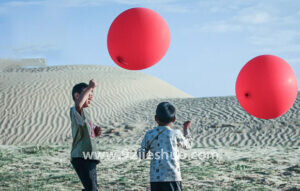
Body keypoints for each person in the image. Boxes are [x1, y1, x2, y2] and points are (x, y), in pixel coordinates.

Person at [137, 102, 192, 191]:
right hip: (173, 177)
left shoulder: (149, 134)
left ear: (156, 118)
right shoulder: (176, 133)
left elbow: (141, 155)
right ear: (174, 119)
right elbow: (188, 145)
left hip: (156, 179)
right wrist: (186, 129)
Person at [70, 79, 102, 191]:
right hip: (81, 156)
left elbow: (85, 134)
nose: (90, 96)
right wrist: (90, 87)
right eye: (87, 94)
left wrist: (95, 133)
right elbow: (78, 105)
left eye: (91, 95)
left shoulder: (86, 114)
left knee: (92, 189)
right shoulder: (75, 110)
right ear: (77, 95)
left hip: (90, 156)